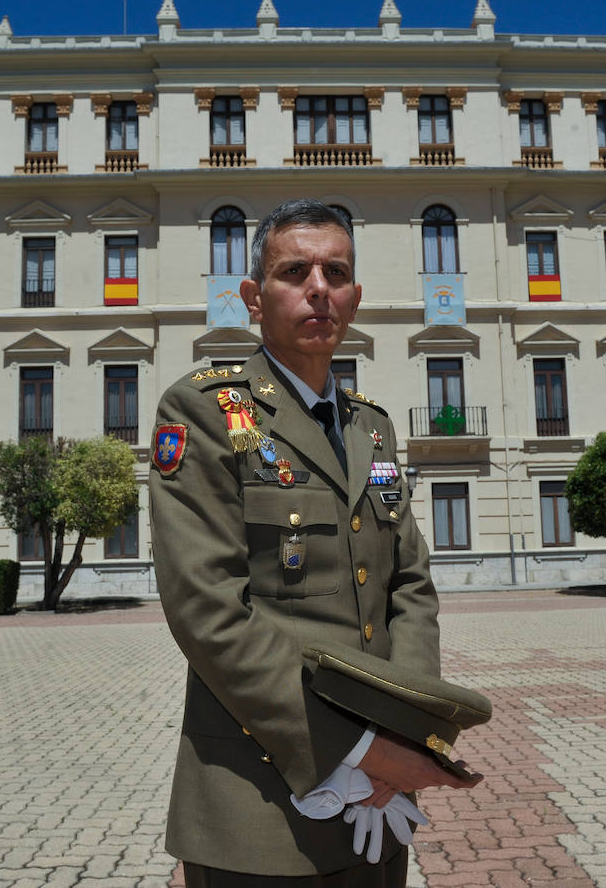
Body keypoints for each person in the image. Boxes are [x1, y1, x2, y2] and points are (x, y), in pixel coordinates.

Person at [149, 199, 483, 887]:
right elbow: (207, 610)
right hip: (258, 810)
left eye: (336, 272)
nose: (318, 288)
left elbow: (408, 588)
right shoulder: (205, 411)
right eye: (294, 271)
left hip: (379, 810)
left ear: (354, 297)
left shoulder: (370, 428)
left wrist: (403, 728)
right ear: (253, 297)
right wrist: (361, 748)